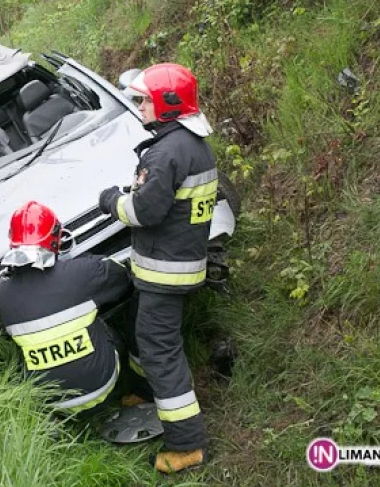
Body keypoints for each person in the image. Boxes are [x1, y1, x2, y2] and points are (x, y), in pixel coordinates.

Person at [97, 63, 217, 474]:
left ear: (168, 105)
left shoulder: (166, 152)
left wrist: (111, 200)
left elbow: (144, 211)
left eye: (145, 100)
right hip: (178, 264)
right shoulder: (193, 144)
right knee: (140, 329)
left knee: (159, 350)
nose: (140, 106)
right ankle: (147, 394)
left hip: (166, 272)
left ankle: (187, 445)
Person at [0, 201, 132, 413]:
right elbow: (122, 278)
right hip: (101, 389)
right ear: (56, 238)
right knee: (106, 326)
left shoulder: (2, 295)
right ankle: (126, 388)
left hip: (50, 404)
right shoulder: (82, 273)